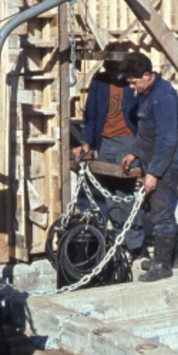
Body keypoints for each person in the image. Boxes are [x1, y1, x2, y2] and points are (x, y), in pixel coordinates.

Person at [119, 52, 178, 282]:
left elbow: (167, 140)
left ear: (147, 76)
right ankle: (169, 257)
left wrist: (154, 173)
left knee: (161, 214)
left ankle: (162, 266)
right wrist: (134, 152)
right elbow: (146, 130)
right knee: (159, 210)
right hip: (156, 160)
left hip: (168, 163)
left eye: (133, 82)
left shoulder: (164, 97)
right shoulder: (147, 94)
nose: (131, 87)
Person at [72, 44, 145, 257]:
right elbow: (91, 113)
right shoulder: (100, 81)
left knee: (125, 195)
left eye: (116, 68)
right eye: (110, 67)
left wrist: (137, 146)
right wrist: (88, 142)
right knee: (110, 197)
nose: (113, 72)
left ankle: (135, 244)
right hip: (105, 142)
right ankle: (120, 240)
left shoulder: (132, 83)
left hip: (126, 141)